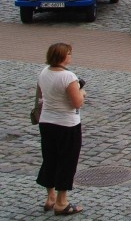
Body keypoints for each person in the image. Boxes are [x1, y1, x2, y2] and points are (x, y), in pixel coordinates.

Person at [35, 42, 86, 216]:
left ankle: (50, 197)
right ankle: (61, 202)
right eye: (69, 54)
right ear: (63, 57)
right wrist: (82, 93)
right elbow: (76, 102)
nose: (71, 56)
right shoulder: (68, 77)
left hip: (47, 122)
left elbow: (42, 95)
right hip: (67, 124)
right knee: (67, 161)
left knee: (50, 158)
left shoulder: (43, 72)